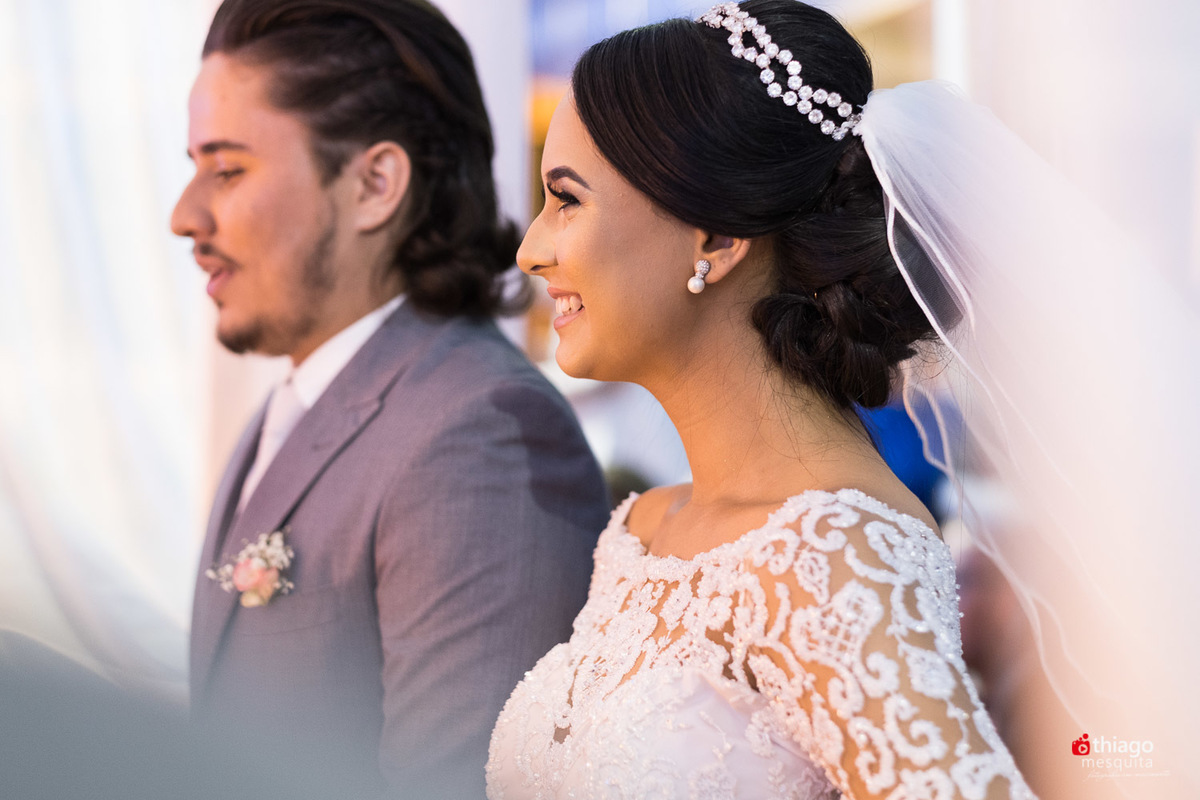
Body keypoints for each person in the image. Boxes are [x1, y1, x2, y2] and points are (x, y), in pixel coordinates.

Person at [485, 1, 1049, 797]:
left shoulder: (832, 555)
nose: (530, 248)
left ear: (714, 238)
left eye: (566, 198)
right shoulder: (641, 532)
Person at [170, 0, 610, 796]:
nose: (184, 216)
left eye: (227, 169)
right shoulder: (297, 401)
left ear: (375, 183)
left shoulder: (481, 435)